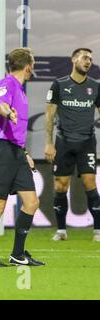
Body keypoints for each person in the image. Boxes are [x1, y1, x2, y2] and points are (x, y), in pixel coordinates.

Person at [0, 47, 45, 267]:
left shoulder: (18, 88)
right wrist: (9, 112)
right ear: (28, 67)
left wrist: (24, 152)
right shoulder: (7, 83)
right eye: (32, 66)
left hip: (16, 152)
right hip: (1, 151)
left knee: (31, 202)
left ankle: (18, 254)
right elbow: (2, 105)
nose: (32, 70)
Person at [44, 48, 100, 242]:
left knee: (90, 183)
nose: (88, 61)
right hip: (64, 142)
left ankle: (98, 231)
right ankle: (61, 231)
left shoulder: (95, 86)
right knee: (60, 186)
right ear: (74, 59)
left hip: (86, 142)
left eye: (91, 59)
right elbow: (49, 115)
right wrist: (49, 143)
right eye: (85, 58)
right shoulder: (59, 85)